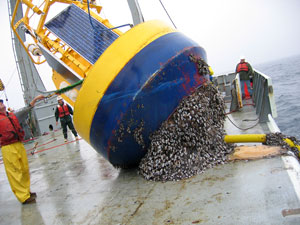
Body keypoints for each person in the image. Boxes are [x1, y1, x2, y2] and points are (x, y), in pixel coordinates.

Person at [0, 95, 45, 204]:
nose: (1, 103)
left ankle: (27, 191)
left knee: (24, 169)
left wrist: (35, 100)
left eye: (1, 102)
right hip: (7, 147)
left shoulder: (12, 115)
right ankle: (23, 197)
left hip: (18, 144)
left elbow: (26, 110)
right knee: (15, 172)